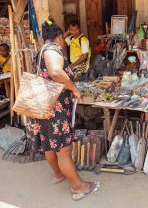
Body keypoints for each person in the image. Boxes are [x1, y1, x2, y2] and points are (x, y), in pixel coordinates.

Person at [26, 18, 100, 201]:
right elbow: (56, 72)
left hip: (44, 106)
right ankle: (78, 186)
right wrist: (74, 89)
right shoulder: (52, 50)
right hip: (55, 110)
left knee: (50, 146)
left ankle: (59, 175)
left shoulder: (42, 50)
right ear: (59, 37)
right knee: (64, 151)